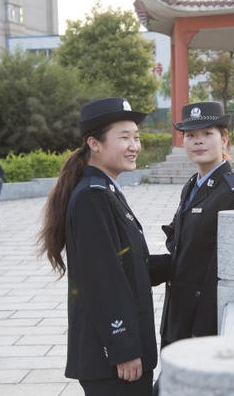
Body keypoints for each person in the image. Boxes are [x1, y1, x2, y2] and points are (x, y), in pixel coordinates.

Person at [38, 97, 157, 396]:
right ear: (94, 143)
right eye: (124, 138)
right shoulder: (92, 196)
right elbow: (102, 279)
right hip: (113, 362)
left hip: (117, 355)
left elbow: (130, 265)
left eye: (136, 137)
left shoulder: (105, 189)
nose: (134, 146)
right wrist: (123, 348)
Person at [149, 101, 234, 393]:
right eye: (190, 135)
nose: (198, 141)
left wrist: (202, 330)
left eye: (207, 133)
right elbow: (183, 248)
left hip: (200, 324)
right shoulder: (192, 186)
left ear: (224, 139)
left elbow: (225, 269)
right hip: (177, 316)